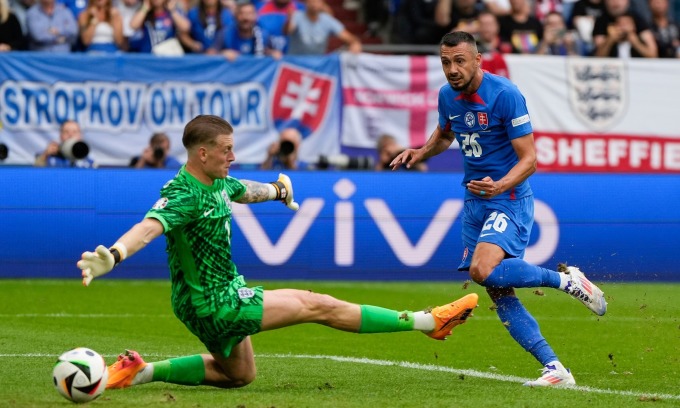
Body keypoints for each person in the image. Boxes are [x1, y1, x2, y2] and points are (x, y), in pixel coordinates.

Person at [76, 114, 479, 390]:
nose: (233, 157)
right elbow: (149, 228)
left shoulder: (218, 181)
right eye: (227, 150)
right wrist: (113, 254)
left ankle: (139, 373)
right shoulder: (183, 194)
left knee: (239, 376)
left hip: (208, 298)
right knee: (315, 304)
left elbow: (244, 190)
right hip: (213, 303)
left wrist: (278, 191)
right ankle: (428, 322)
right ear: (203, 153)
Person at [390, 31, 607, 387]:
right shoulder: (447, 95)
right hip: (475, 201)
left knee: (481, 269)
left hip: (507, 198)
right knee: (498, 291)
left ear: (478, 60)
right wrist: (419, 151)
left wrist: (501, 185)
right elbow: (446, 135)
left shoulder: (505, 95)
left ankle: (566, 281)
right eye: (446, 62)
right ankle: (555, 369)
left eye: (459, 61)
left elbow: (530, 160)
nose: (452, 69)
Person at [210, 1, 281, 60]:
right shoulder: (225, 34)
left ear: (256, 16)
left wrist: (273, 54)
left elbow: (273, 52)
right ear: (235, 16)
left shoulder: (263, 36)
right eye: (242, 14)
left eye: (249, 14)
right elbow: (210, 54)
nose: (246, 18)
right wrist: (222, 54)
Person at [284, 0, 361, 55]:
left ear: (322, 4)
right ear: (306, 3)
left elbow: (349, 37)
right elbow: (288, 31)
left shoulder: (327, 20)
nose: (314, 4)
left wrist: (354, 43)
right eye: (311, 1)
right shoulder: (296, 16)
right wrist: (288, 21)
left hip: (318, 66)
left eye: (317, 1)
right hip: (295, 64)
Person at [592, 0, 657, 57]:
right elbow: (598, 57)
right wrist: (610, 39)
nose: (615, 1)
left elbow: (653, 54)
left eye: (627, 23)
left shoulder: (638, 20)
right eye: (621, 24)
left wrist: (634, 41)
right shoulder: (602, 21)